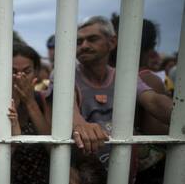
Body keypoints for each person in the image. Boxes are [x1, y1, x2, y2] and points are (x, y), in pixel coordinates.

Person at [70, 16, 173, 159]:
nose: (84, 46)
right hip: (86, 164)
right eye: (78, 42)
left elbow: (153, 101)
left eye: (92, 39)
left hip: (125, 165)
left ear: (112, 42)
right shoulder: (65, 76)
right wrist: (80, 125)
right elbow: (67, 109)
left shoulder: (125, 76)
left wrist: (177, 114)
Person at [9, 43, 52, 184]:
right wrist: (14, 102)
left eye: (26, 71)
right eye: (13, 72)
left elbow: (51, 145)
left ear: (36, 72)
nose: (19, 77)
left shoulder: (42, 99)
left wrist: (28, 101)